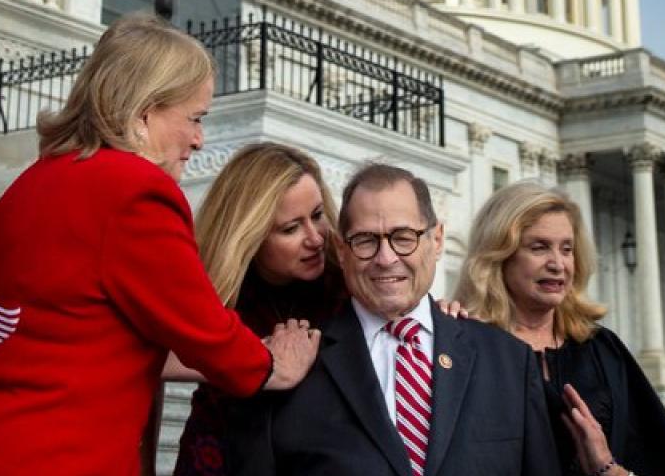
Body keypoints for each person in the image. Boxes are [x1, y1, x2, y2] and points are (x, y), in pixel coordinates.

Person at [0, 13, 321, 476]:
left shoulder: (35, 179)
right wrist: (274, 365)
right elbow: (203, 330)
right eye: (194, 117)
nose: (198, 138)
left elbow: (83, 329)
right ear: (144, 112)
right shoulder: (137, 191)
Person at [229, 163, 559, 476]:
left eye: (403, 237)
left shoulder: (509, 362)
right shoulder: (291, 371)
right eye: (366, 241)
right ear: (342, 252)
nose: (386, 259)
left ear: (437, 239)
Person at [454, 182, 665, 476]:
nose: (558, 264)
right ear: (499, 255)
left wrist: (607, 467)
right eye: (539, 248)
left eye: (567, 249)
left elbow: (651, 458)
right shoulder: (464, 348)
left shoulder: (602, 349)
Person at [173, 142, 345, 476]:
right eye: (290, 228)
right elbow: (144, 350)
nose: (315, 238)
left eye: (317, 216)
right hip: (220, 454)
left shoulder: (345, 285)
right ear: (249, 235)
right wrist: (258, 361)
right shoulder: (215, 294)